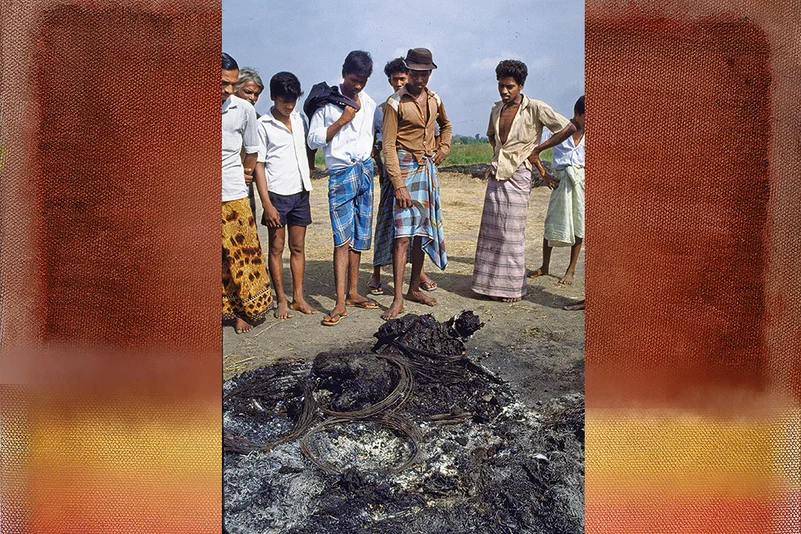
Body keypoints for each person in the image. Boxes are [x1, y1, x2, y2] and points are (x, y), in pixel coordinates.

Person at [471, 60, 572, 302]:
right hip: (497, 174)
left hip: (519, 175)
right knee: (492, 231)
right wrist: (499, 156)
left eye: (510, 87)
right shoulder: (496, 109)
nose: (504, 91)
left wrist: (537, 150)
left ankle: (511, 289)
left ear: (521, 85)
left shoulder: (535, 107)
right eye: (501, 86)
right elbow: (491, 136)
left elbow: (567, 127)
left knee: (511, 234)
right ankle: (487, 287)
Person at [308, 50, 383, 326]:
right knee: (342, 239)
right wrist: (341, 121)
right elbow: (314, 139)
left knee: (360, 236)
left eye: (363, 80)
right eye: (354, 79)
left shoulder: (371, 103)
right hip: (340, 174)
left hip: (364, 172)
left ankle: (353, 292)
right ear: (344, 72)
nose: (358, 85)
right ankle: (339, 303)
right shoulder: (327, 103)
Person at [381, 48, 452, 320]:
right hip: (404, 168)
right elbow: (388, 145)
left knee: (422, 232)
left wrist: (443, 148)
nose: (420, 79)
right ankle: (397, 298)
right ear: (407, 71)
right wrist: (398, 184)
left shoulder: (435, 99)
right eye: (415, 73)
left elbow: (446, 126)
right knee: (402, 236)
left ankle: (413, 289)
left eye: (425, 74)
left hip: (427, 170)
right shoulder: (394, 102)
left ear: (430, 73)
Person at [369, 58, 437, 296]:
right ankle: (377, 274)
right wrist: (390, 177)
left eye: (402, 79)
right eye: (395, 79)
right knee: (388, 226)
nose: (400, 82)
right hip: (391, 175)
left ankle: (416, 277)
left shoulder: (428, 100)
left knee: (414, 228)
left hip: (415, 172)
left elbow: (434, 132)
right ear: (389, 81)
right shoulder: (384, 108)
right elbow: (380, 146)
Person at [255, 72, 316, 319]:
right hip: (277, 195)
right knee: (277, 248)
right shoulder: (263, 125)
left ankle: (298, 298)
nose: (289, 105)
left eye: (292, 100)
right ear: (273, 97)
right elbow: (259, 164)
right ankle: (280, 299)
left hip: (301, 192)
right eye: (284, 100)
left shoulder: (300, 119)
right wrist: (266, 203)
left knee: (298, 247)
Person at [221, 52, 273, 334]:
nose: (228, 90)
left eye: (231, 84)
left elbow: (252, 150)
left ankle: (248, 311)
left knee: (244, 254)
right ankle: (226, 310)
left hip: (233, 193)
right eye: (223, 84)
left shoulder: (243, 109)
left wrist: (245, 173)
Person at [528, 95, 586, 285]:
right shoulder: (559, 131)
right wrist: (544, 175)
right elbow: (535, 153)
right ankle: (545, 266)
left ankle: (570, 270)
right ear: (577, 113)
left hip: (580, 183)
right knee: (551, 223)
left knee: (579, 225)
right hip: (561, 181)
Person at [236, 67, 265, 223]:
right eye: (248, 92)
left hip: (244, 182)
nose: (252, 98)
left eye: (256, 95)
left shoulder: (257, 119)